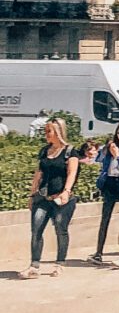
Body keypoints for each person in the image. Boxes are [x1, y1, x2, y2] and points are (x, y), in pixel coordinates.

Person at [26, 118, 79, 277]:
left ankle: (60, 263)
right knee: (36, 230)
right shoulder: (44, 151)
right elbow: (39, 173)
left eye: (49, 131)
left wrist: (66, 191)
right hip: (42, 198)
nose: (46, 134)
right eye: (46, 131)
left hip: (61, 198)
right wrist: (32, 193)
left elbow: (72, 173)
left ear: (58, 132)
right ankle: (34, 265)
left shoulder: (70, 152)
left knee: (60, 229)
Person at [91, 122, 119, 262]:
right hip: (110, 183)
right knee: (105, 219)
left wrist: (118, 156)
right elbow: (98, 159)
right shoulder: (110, 148)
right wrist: (104, 149)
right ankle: (99, 252)